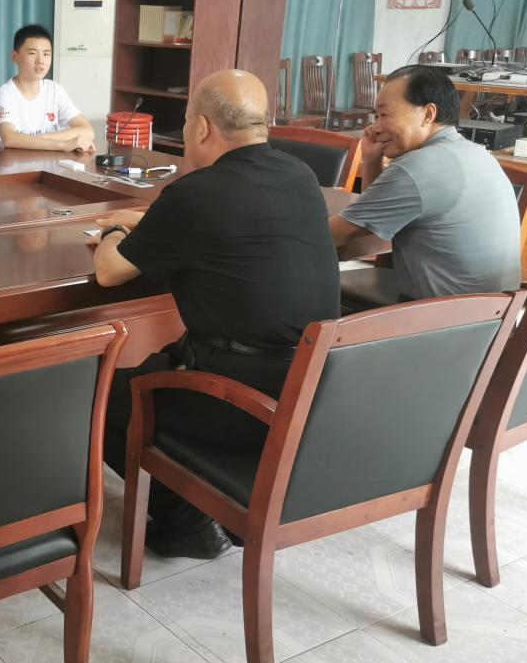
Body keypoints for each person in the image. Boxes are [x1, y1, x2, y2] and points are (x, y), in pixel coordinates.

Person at [91, 70, 340, 559]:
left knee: (98, 395)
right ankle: (205, 503)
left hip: (243, 400)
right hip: (312, 388)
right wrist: (153, 224)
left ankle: (188, 522)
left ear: (201, 127)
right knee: (156, 365)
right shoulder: (299, 175)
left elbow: (109, 272)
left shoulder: (196, 192)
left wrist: (112, 232)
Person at [332, 64, 520, 306]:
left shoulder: (416, 168)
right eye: (375, 117)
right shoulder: (474, 153)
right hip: (492, 315)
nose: (375, 128)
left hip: (442, 319)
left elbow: (336, 234)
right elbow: (374, 218)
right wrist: (371, 160)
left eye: (385, 115)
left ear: (428, 114)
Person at [0, 24, 95, 153]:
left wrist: (40, 139)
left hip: (49, 161)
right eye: (32, 53)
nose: (40, 60)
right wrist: (64, 144)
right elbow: (9, 138)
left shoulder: (55, 90)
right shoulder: (5, 94)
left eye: (46, 54)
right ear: (15, 56)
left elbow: (87, 131)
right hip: (14, 162)